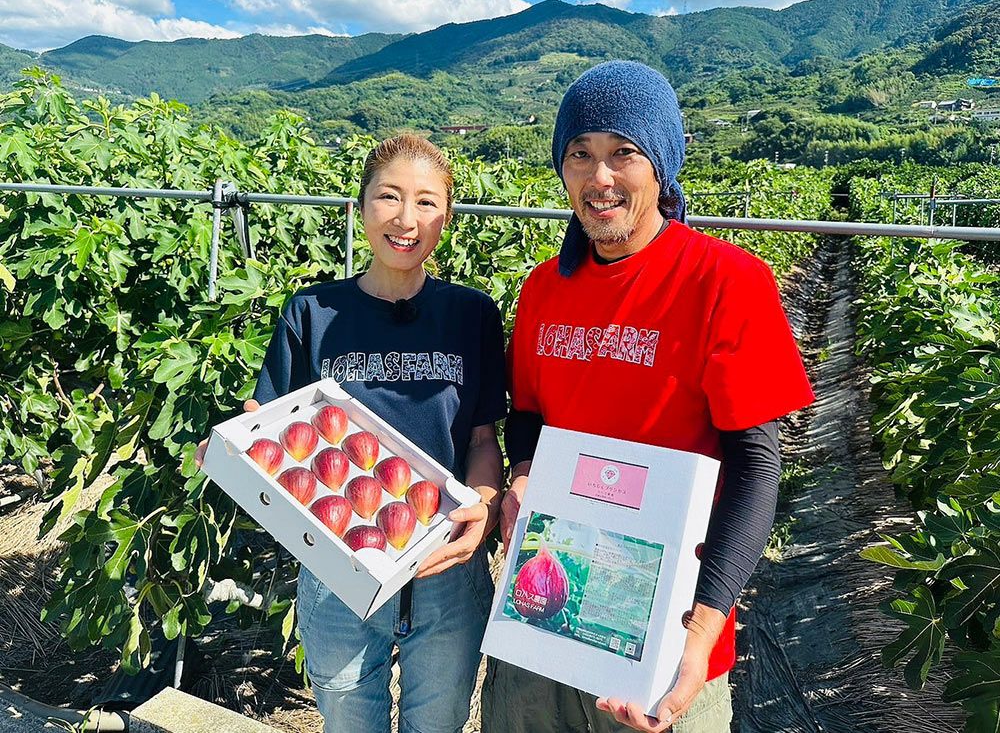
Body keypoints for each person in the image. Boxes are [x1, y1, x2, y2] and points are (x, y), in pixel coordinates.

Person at [481, 61, 814, 733]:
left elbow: (755, 465)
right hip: (541, 616)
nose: (600, 177)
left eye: (623, 152)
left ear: (661, 167)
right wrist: (523, 474)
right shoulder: (544, 288)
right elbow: (530, 416)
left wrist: (702, 631)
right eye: (580, 154)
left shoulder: (727, 283)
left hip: (662, 634)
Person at [199, 134, 506, 733]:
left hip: (444, 562)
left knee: (438, 723)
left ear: (446, 217)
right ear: (359, 207)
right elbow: (271, 426)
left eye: (426, 202)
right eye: (389, 196)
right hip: (337, 563)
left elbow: (480, 440)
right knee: (348, 720)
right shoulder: (312, 313)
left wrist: (485, 509)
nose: (406, 218)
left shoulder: (471, 315)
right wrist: (233, 447)